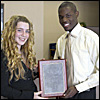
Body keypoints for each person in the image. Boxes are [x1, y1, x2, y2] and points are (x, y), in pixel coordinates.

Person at [54, 1, 99, 99]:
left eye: (68, 15)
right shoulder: (61, 40)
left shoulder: (91, 38)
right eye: (61, 17)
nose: (64, 20)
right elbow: (56, 68)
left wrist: (78, 88)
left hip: (84, 93)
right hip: (64, 93)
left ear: (76, 14)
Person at [1, 15, 48, 99]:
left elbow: (21, 79)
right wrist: (30, 96)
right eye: (19, 30)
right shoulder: (3, 56)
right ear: (11, 32)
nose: (24, 35)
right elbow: (3, 89)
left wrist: (37, 72)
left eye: (27, 31)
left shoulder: (26, 53)